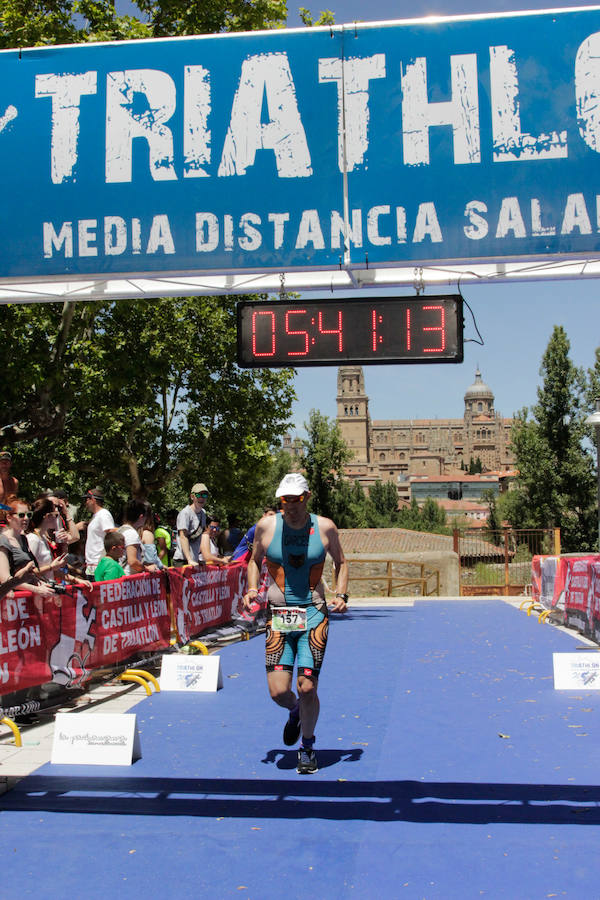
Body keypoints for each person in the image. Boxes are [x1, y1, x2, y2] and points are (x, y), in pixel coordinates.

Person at [242, 473, 349, 775]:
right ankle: (294, 713)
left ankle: (308, 747)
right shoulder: (266, 526)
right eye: (285, 500)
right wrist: (252, 590)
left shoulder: (325, 527)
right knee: (279, 692)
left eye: (296, 499)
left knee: (307, 686)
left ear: (307, 497)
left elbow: (342, 561)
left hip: (313, 613)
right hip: (280, 615)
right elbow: (253, 561)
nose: (290, 505)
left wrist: (341, 594)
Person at [0, 498, 61, 604]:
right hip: (10, 602)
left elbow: (29, 574)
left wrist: (41, 584)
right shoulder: (3, 541)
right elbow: (5, 579)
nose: (26, 519)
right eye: (21, 515)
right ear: (9, 517)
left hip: (24, 601)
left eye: (29, 515)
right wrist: (37, 590)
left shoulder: (23, 539)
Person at [172, 483, 209, 567]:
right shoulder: (185, 513)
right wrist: (189, 559)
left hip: (194, 560)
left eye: (204, 495)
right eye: (198, 495)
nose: (201, 498)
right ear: (192, 496)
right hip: (182, 560)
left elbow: (199, 537)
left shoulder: (203, 513)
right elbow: (183, 536)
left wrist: (198, 558)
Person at [83, 487, 115, 579]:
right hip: (92, 564)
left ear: (93, 500)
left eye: (87, 499)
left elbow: (111, 533)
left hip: (99, 563)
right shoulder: (96, 516)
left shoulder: (104, 514)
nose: (86, 503)